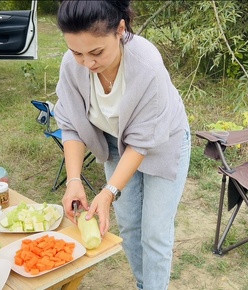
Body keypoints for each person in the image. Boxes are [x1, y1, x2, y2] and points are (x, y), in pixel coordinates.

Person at [55, 1, 191, 289]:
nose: (87, 64)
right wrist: (74, 179)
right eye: (76, 52)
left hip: (162, 144)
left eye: (96, 52)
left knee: (154, 232)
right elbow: (70, 124)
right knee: (129, 227)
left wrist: (108, 192)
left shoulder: (146, 64)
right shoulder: (72, 65)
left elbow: (142, 143)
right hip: (115, 145)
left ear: (120, 29)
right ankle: (145, 285)